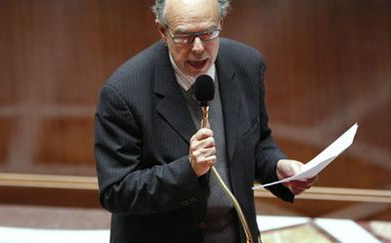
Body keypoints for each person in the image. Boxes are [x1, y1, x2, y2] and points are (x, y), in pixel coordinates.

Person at [94, 0, 316, 242]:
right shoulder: (124, 92)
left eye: (208, 33)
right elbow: (116, 192)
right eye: (185, 36)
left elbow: (257, 139)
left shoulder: (247, 65)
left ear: (220, 23)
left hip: (233, 232)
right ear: (162, 31)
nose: (198, 47)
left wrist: (277, 166)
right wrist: (188, 170)